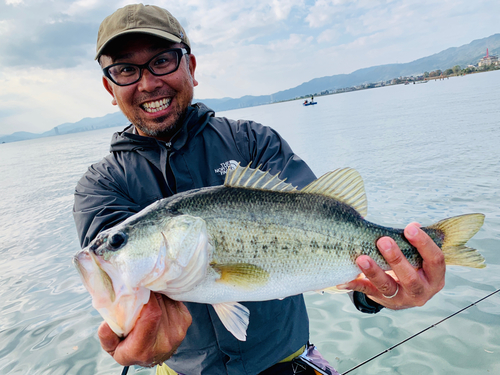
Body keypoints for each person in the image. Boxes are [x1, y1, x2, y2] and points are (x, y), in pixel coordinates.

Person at [73, 4, 446, 375]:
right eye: (125, 69)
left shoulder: (254, 142)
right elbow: (119, 293)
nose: (148, 82)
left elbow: (331, 236)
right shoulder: (100, 187)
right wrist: (135, 334)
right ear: (110, 86)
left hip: (289, 362)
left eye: (163, 61)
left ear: (191, 67)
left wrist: (379, 293)